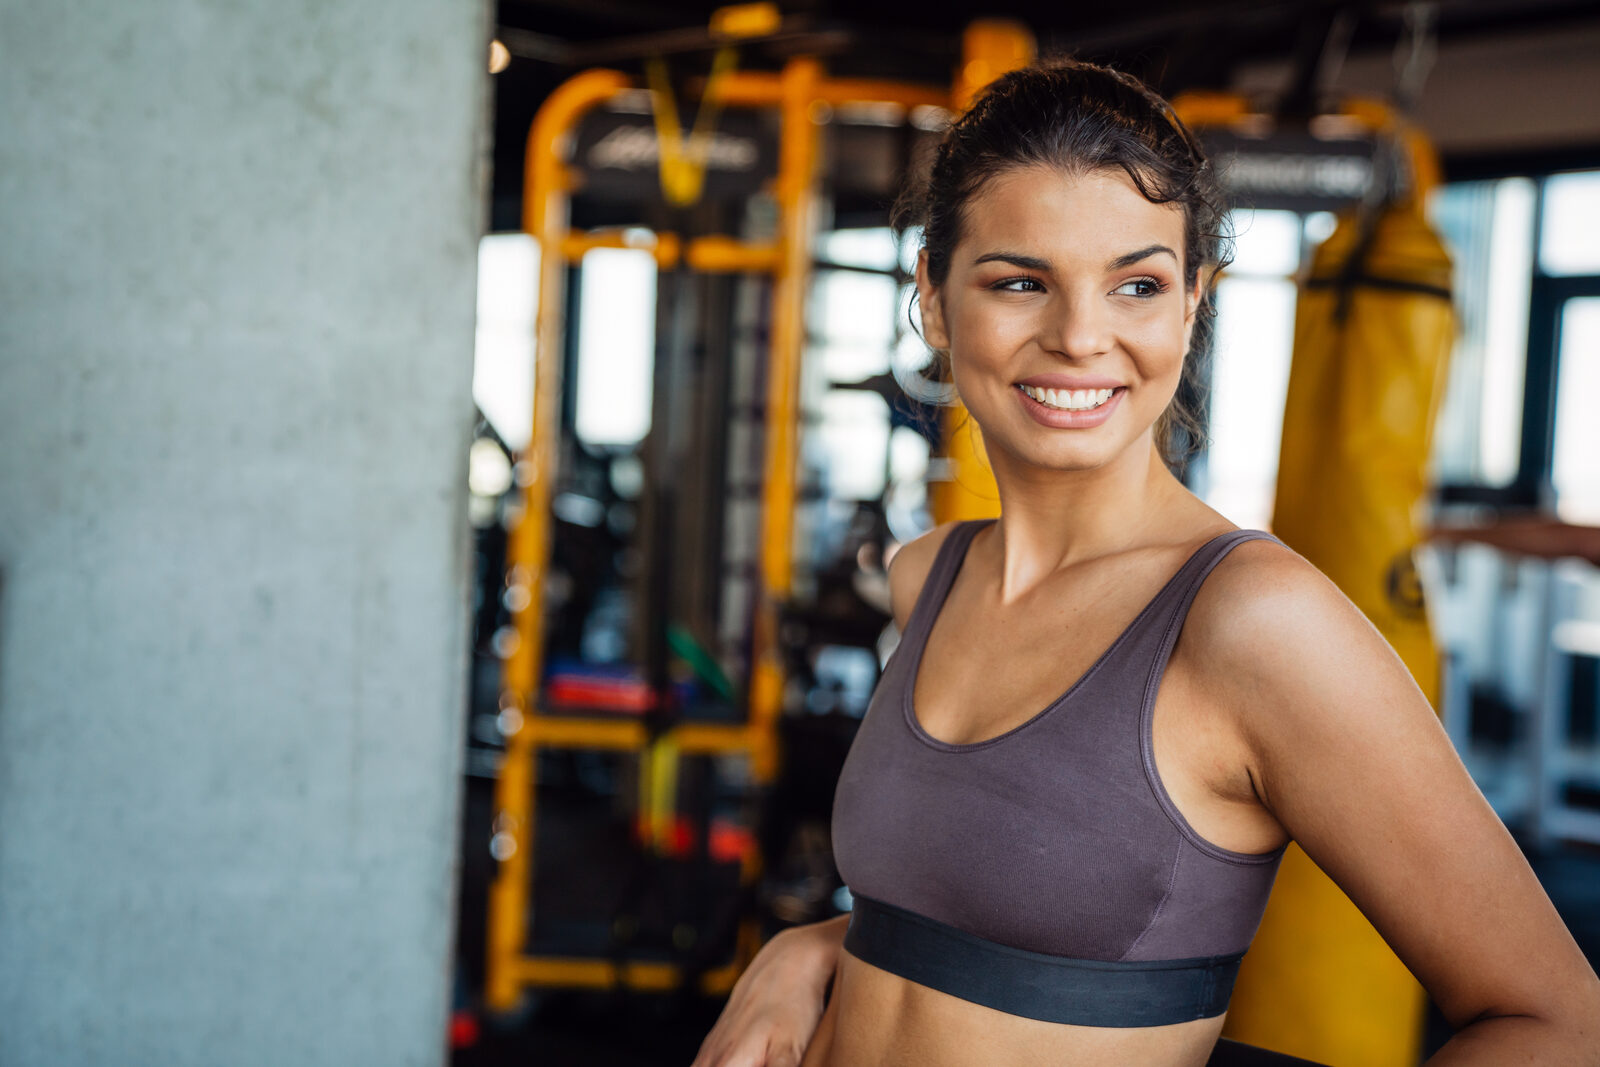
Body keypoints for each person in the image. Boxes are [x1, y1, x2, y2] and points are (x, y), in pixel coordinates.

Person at [693, 59, 1600, 1067]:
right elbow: (953, 931)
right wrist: (811, 944)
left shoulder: (1253, 621)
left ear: (1190, 307)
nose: (1081, 336)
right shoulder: (931, 574)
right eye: (1019, 282)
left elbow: (1559, 1021)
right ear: (938, 305)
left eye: (1136, 284)